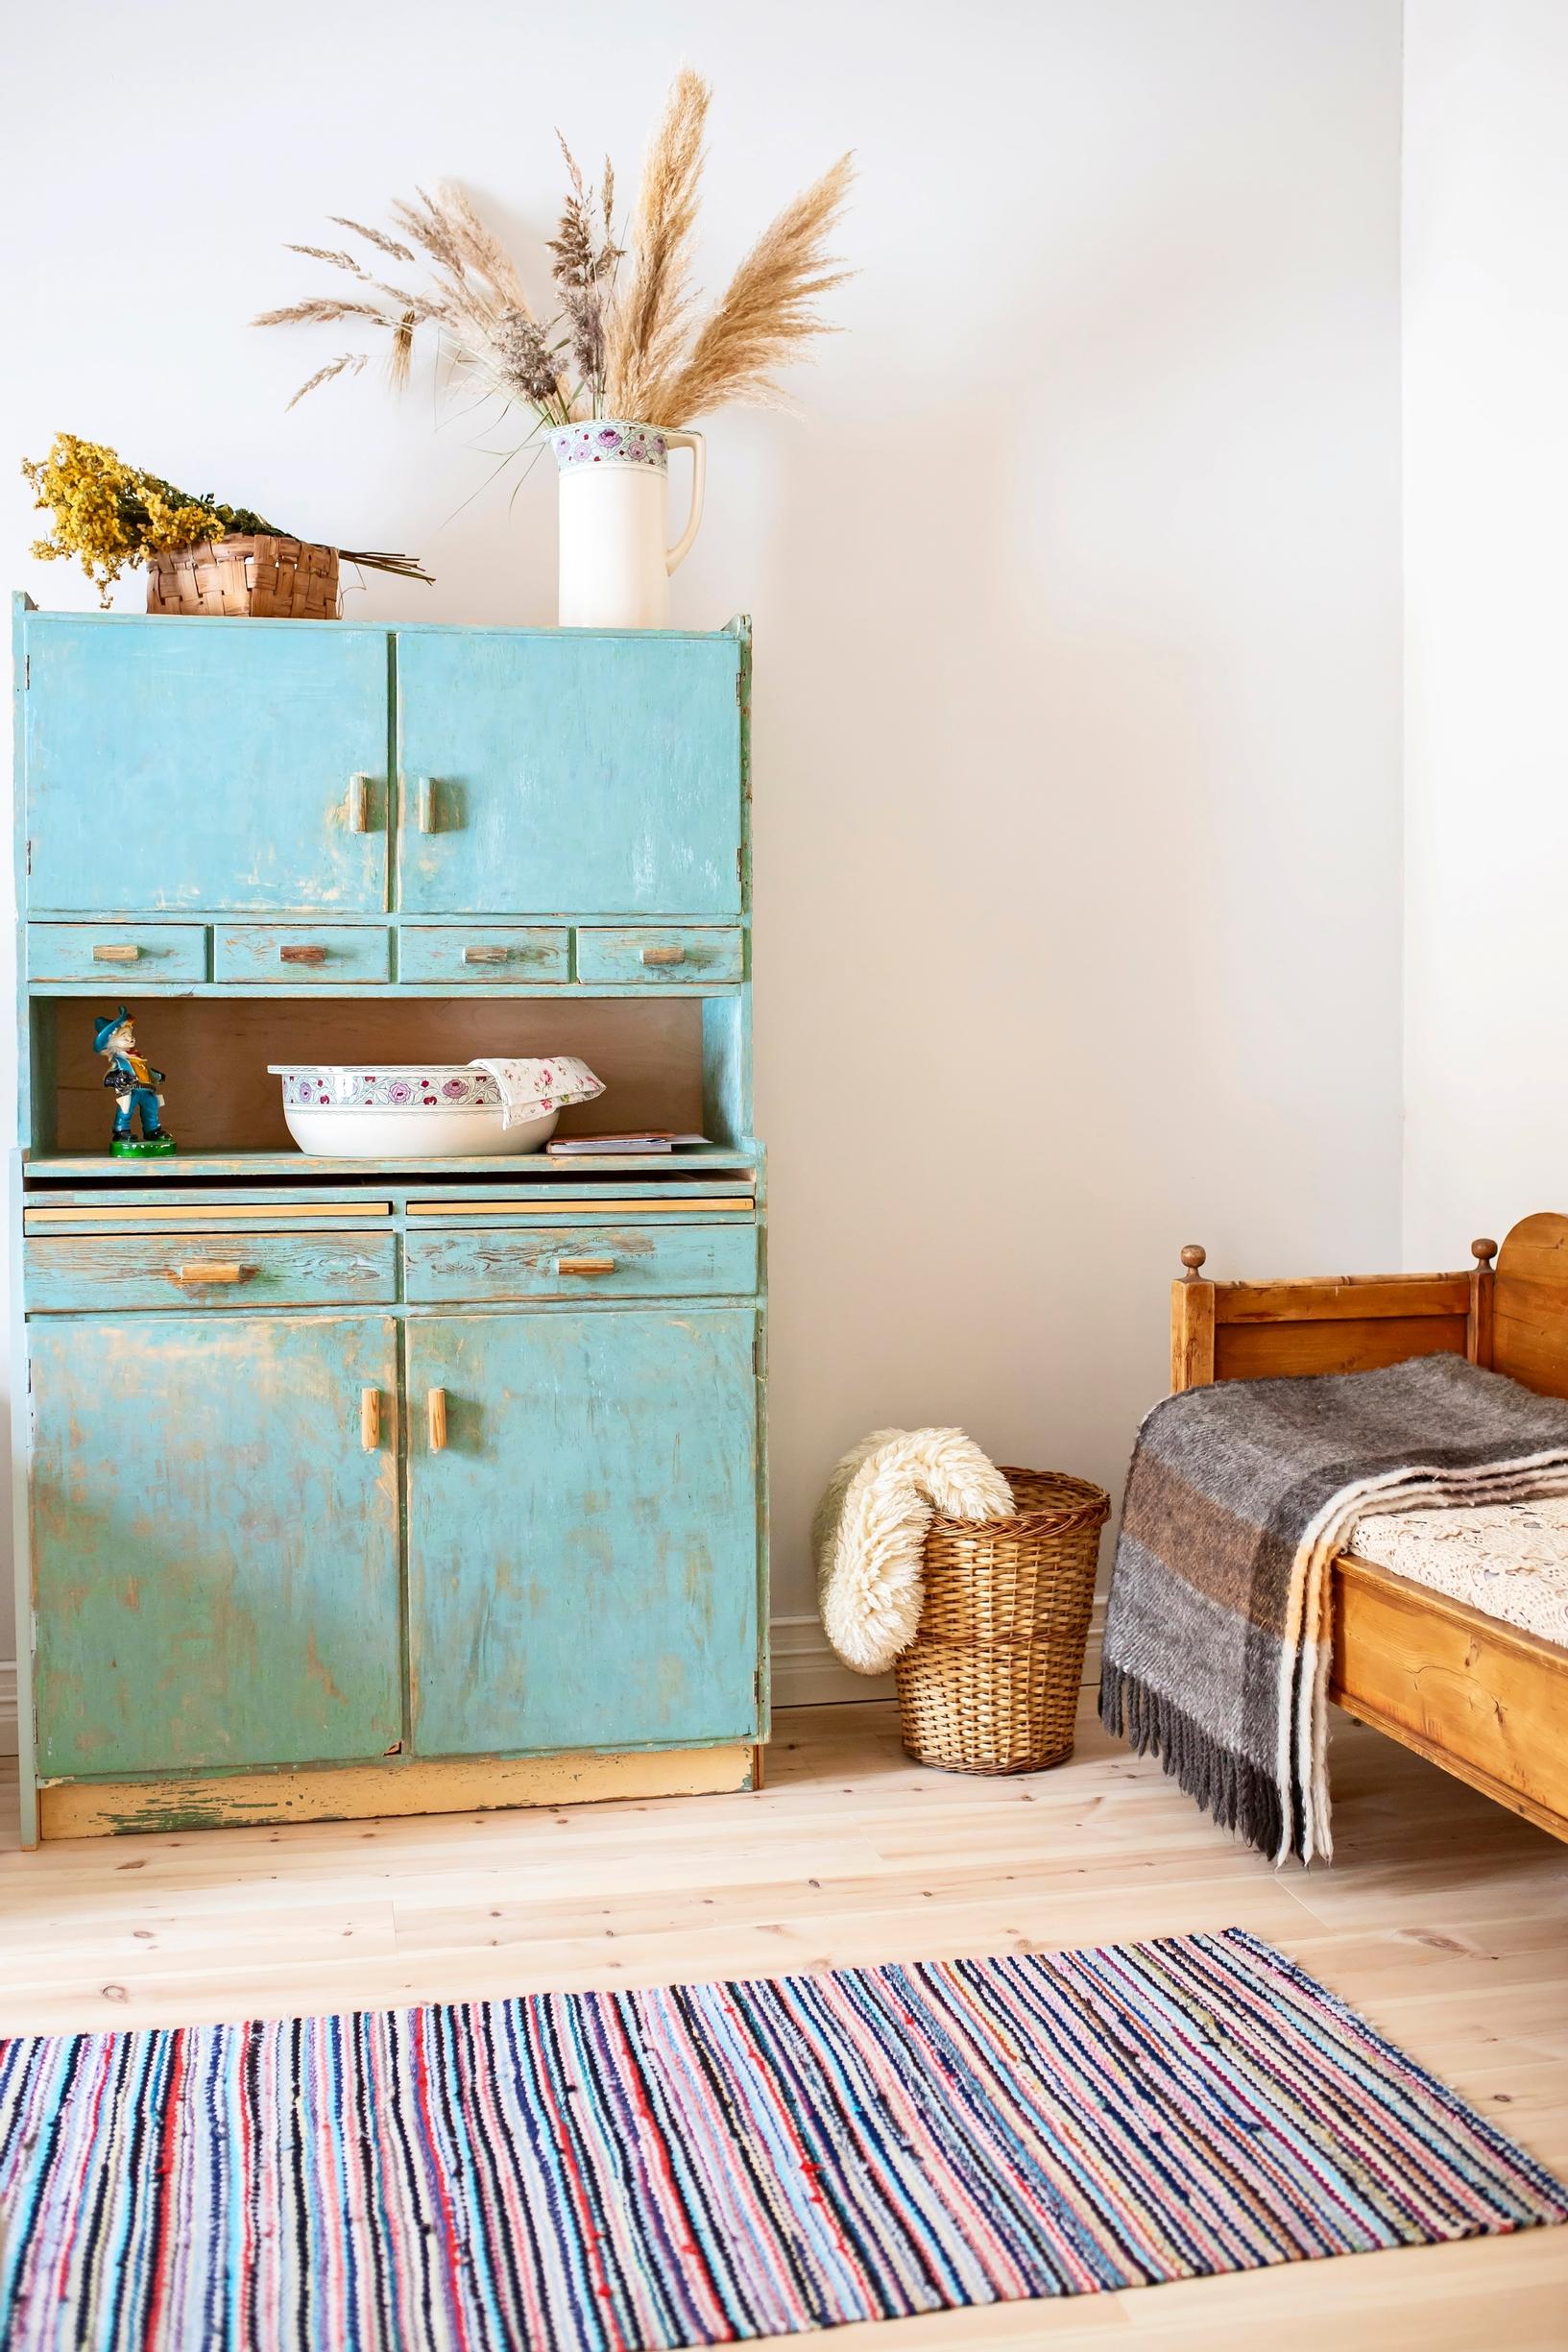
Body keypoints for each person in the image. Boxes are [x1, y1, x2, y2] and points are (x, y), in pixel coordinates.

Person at [93, 1006, 175, 1153]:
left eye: (130, 1034)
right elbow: (109, 1076)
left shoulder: (137, 1058)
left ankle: (153, 1131)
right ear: (111, 1041)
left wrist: (156, 1076)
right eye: (124, 1035)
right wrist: (116, 1079)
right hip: (131, 1090)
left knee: (151, 1111)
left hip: (147, 1090)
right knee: (125, 1111)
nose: (130, 1038)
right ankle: (121, 1132)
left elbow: (145, 1071)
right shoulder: (119, 1060)